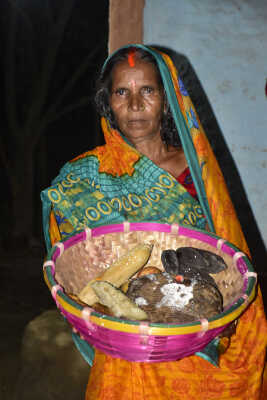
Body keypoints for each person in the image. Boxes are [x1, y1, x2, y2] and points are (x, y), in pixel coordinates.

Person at [41, 44, 267, 399]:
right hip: (125, 337)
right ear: (107, 103)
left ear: (167, 99)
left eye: (147, 90)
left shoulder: (198, 171)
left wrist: (222, 313)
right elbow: (76, 263)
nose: (135, 105)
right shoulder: (88, 176)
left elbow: (228, 247)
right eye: (121, 92)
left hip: (195, 326)